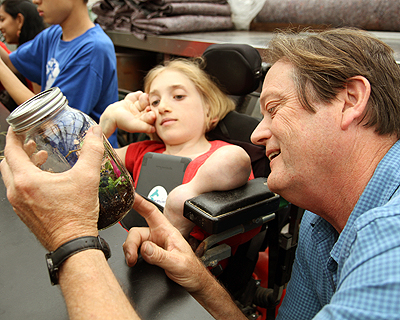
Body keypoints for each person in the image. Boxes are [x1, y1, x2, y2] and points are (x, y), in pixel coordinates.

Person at [2, 27, 400, 320]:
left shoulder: (391, 240)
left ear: (351, 101)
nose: (258, 133)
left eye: (275, 108)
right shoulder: (319, 218)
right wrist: (202, 282)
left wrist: (71, 240)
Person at [100, 58, 253, 241]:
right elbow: (82, 164)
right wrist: (108, 122)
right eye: (155, 102)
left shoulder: (220, 156)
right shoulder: (143, 151)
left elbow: (237, 162)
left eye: (178, 96)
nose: (163, 107)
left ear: (208, 107)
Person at [0, 0, 119, 146]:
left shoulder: (92, 49)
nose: (36, 1)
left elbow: (51, 122)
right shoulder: (54, 34)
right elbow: (11, 63)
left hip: (86, 158)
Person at [0, 0, 45, 111]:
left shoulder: (36, 54)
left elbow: (39, 109)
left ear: (19, 20)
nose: (0, 26)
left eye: (2, 19)